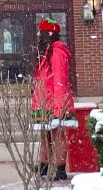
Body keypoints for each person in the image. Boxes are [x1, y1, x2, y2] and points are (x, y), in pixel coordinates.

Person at [32, 18, 76, 180]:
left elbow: (60, 81)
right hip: (45, 101)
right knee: (45, 136)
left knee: (57, 136)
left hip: (54, 102)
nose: (38, 35)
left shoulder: (57, 52)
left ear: (49, 34)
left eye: (40, 32)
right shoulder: (45, 52)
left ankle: (59, 169)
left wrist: (59, 107)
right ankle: (44, 166)